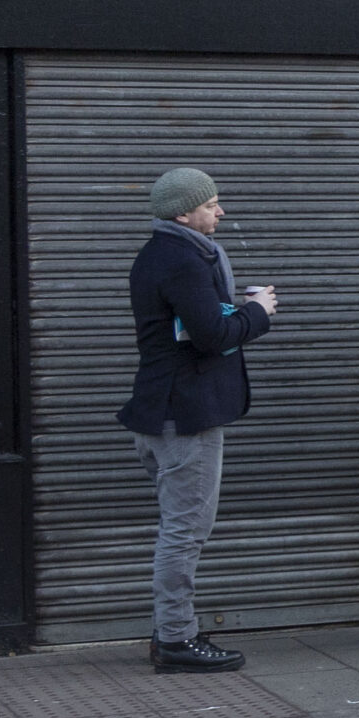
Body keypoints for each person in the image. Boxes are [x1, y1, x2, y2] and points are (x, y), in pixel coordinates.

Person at [123, 168, 275, 674]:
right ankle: (175, 641)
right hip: (185, 416)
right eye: (211, 204)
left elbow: (192, 326)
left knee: (179, 528)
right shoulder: (183, 260)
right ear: (183, 213)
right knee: (185, 531)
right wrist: (259, 312)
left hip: (162, 408)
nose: (221, 211)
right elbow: (210, 335)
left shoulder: (158, 254)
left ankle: (174, 629)